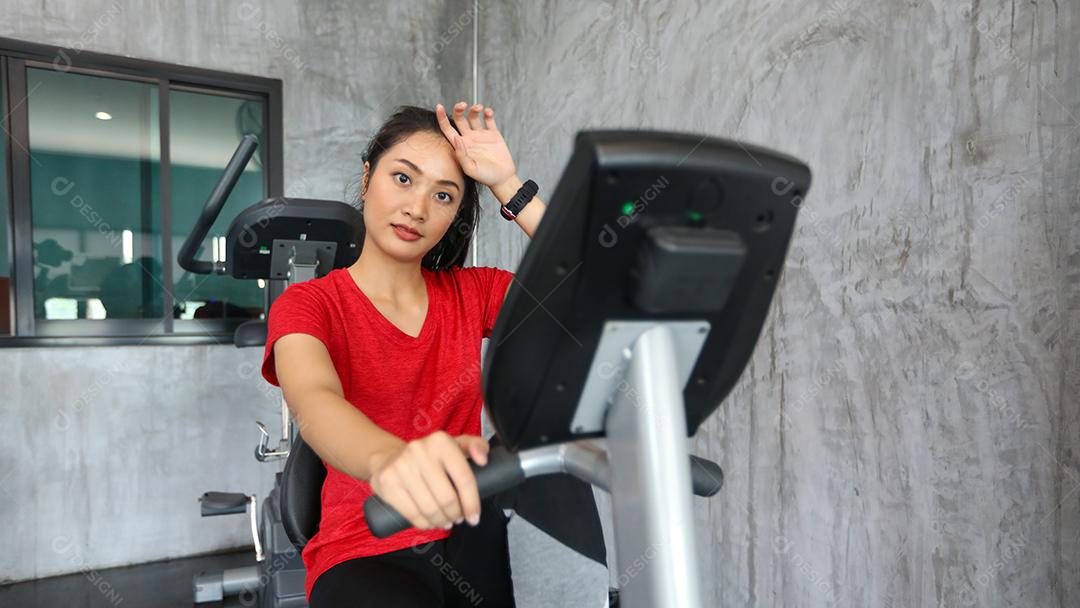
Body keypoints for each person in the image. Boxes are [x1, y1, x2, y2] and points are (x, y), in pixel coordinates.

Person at [260, 102, 547, 607]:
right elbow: (314, 400)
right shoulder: (308, 304)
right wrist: (393, 461)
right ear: (367, 177)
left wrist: (507, 183)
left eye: (443, 195)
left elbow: (594, 291)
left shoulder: (474, 293)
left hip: (468, 529)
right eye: (403, 178)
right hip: (362, 543)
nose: (417, 208)